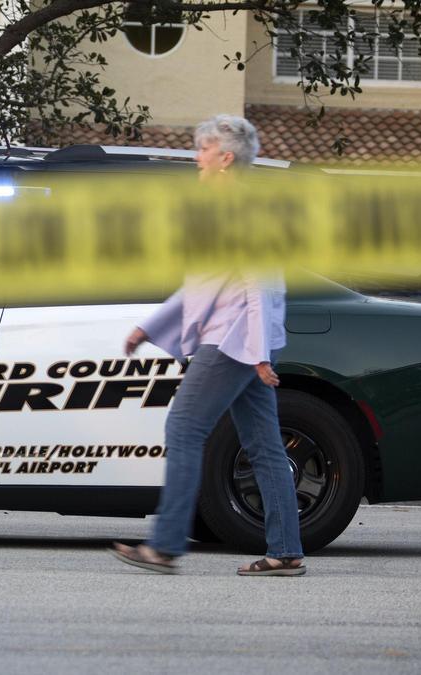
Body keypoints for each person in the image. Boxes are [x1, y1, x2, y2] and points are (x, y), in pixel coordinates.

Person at [109, 115, 306, 577]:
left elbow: (260, 285)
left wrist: (258, 353)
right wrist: (147, 327)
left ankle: (165, 545)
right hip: (241, 343)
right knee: (264, 445)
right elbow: (199, 286)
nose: (196, 157)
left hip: (235, 342)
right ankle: (286, 551)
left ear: (225, 159)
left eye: (203, 149)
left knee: (183, 429)